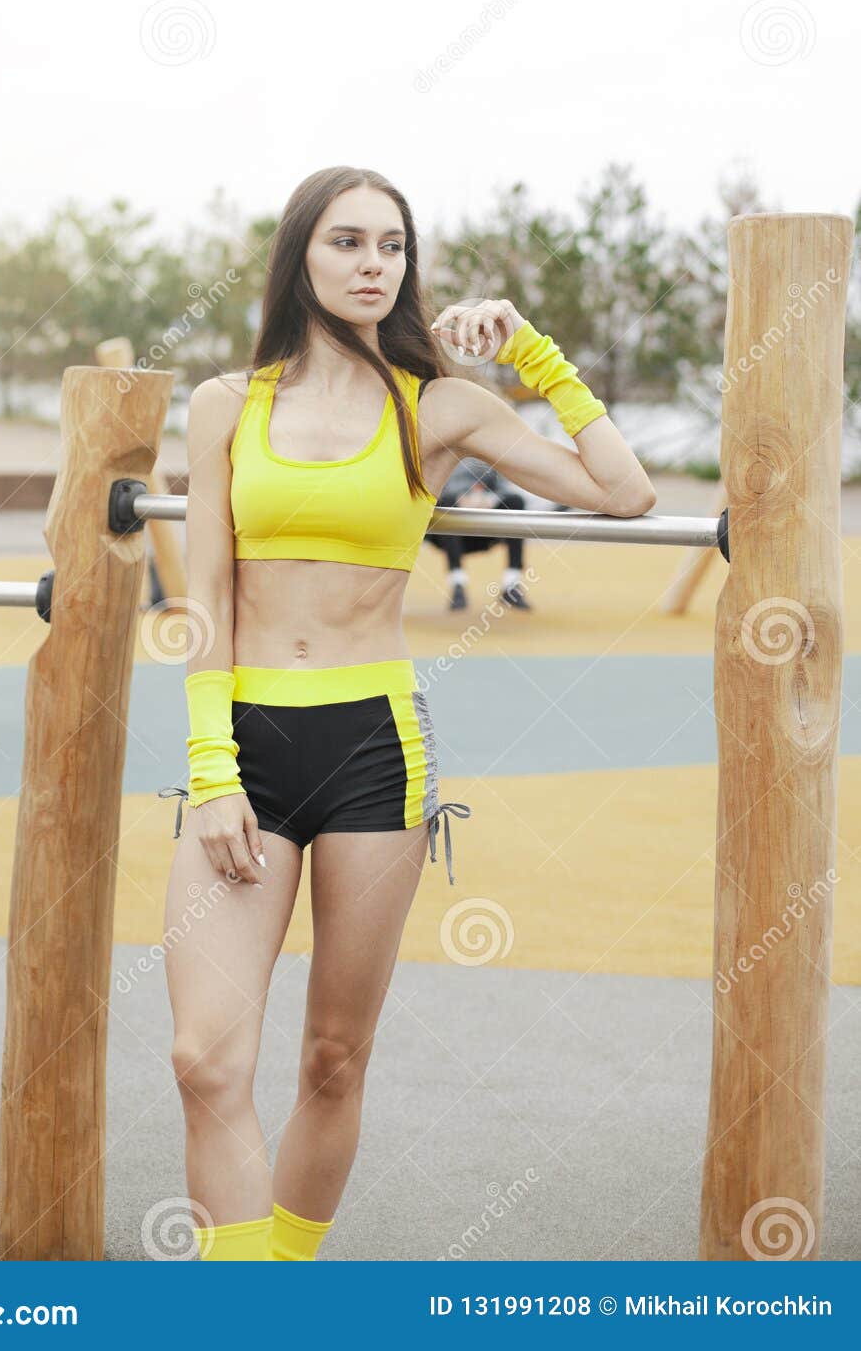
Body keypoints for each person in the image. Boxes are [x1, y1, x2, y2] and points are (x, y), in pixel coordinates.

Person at [156, 165, 656, 1263]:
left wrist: (533, 355)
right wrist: (210, 768)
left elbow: (622, 493)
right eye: (346, 242)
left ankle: (277, 1296)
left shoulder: (437, 405)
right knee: (202, 1057)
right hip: (240, 748)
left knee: (333, 1054)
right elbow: (205, 596)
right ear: (301, 258)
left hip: (371, 752)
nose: (372, 263)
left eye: (390, 245)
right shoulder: (223, 406)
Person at [426, 457, 533, 612]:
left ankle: (511, 585)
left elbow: (504, 488)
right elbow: (429, 488)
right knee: (446, 504)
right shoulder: (443, 454)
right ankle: (458, 586)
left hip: (484, 530)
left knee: (515, 501)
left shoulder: (491, 456)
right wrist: (461, 498)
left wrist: (490, 499)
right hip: (449, 531)